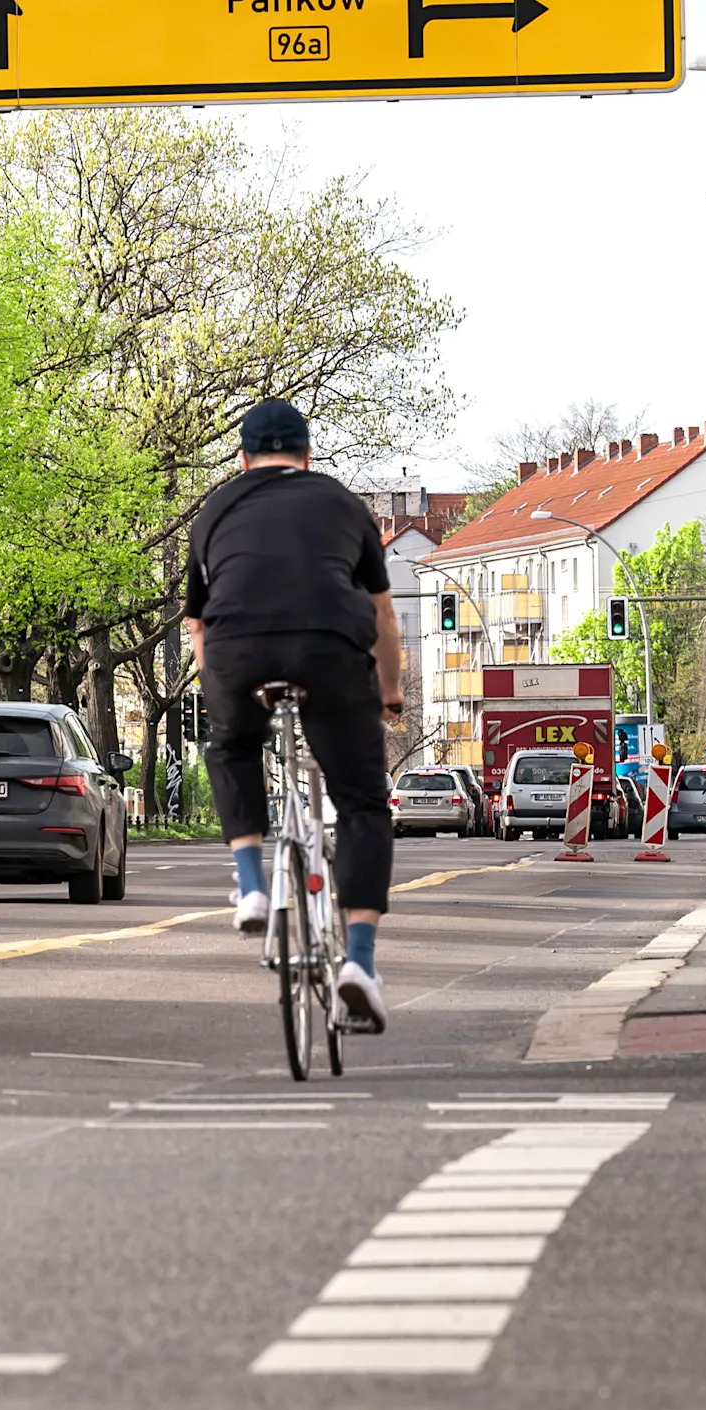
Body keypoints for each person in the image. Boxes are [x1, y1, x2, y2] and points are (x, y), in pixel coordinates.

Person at [181, 399, 402, 1033]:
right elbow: (384, 616)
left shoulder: (215, 509)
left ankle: (251, 882)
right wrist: (388, 690)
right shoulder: (341, 503)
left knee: (230, 748)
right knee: (361, 804)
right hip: (330, 648)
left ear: (245, 459)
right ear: (307, 455)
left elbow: (196, 622)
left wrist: (221, 689)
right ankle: (359, 961)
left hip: (236, 650)